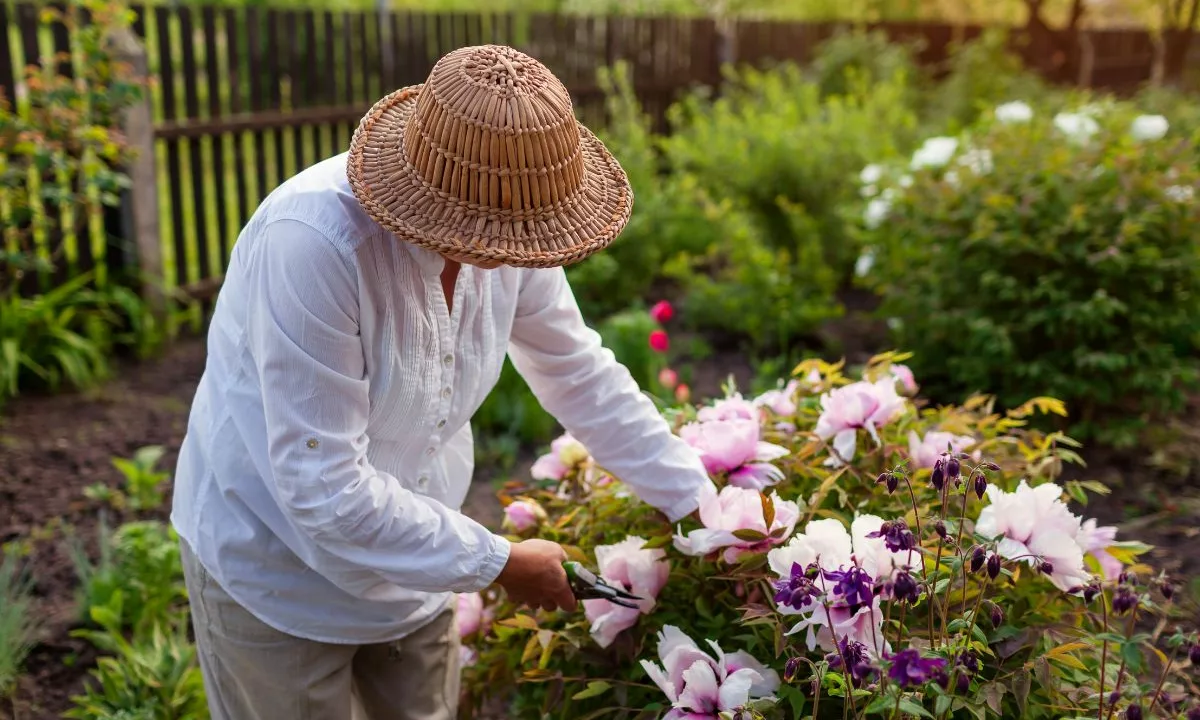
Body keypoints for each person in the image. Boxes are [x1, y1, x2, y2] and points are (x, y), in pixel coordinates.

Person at [170, 44, 714, 720]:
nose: (509, 251)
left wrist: (697, 504)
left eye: (525, 232)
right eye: (489, 229)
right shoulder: (313, 242)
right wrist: (500, 562)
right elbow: (323, 489)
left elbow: (577, 370)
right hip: (276, 563)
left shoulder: (517, 224)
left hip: (417, 559)